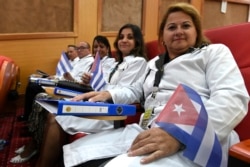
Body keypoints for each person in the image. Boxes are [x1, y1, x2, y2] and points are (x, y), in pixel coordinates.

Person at [58, 2, 248, 167]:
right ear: (162, 36)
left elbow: (232, 97)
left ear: (196, 31)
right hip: (148, 128)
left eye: (186, 25)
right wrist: (108, 94)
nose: (179, 31)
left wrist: (180, 135)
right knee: (79, 154)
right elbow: (136, 90)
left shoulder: (213, 53)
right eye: (172, 27)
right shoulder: (153, 63)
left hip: (197, 136)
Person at [34, 23, 148, 167]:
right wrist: (92, 82)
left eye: (130, 37)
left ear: (137, 41)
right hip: (99, 103)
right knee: (53, 112)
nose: (124, 40)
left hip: (112, 112)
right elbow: (104, 86)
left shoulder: (139, 62)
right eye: (121, 37)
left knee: (55, 118)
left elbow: (125, 92)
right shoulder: (118, 63)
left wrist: (102, 90)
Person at [10, 42, 93, 164]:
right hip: (68, 86)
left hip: (75, 91)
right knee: (38, 95)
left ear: (89, 50)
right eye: (78, 48)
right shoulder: (79, 61)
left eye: (82, 48)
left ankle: (35, 143)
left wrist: (69, 79)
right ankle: (35, 140)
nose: (79, 50)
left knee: (41, 96)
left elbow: (83, 83)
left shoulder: (91, 62)